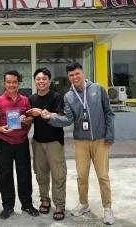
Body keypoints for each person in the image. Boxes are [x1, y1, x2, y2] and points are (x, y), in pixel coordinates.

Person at [41, 62, 116, 225]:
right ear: (68, 77)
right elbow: (68, 119)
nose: (74, 77)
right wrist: (50, 118)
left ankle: (108, 208)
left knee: (103, 176)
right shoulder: (68, 96)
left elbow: (108, 113)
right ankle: (83, 204)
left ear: (83, 73)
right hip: (80, 141)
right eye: (71, 75)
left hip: (100, 140)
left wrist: (110, 134)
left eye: (77, 74)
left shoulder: (98, 89)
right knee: (81, 176)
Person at [0, 70, 39, 219]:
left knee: (25, 175)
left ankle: (27, 205)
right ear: (4, 84)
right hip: (4, 143)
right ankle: (8, 207)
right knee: (5, 176)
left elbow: (30, 118)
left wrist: (26, 120)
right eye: (8, 82)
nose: (11, 85)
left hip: (22, 142)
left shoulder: (25, 100)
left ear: (18, 83)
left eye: (14, 82)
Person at [27, 67, 67, 221]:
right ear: (35, 81)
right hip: (38, 142)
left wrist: (45, 114)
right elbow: (29, 116)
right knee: (41, 174)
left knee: (58, 175)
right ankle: (44, 200)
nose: (41, 81)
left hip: (54, 142)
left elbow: (61, 115)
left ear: (49, 81)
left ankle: (59, 205)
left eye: (44, 79)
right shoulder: (32, 98)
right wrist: (26, 118)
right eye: (38, 79)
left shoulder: (57, 97)